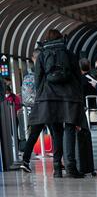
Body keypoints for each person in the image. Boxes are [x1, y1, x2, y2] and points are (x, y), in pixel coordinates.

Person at [28, 30, 84, 178]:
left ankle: (57, 169)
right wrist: (79, 95)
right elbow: (78, 77)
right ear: (61, 39)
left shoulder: (42, 56)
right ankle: (71, 167)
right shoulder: (69, 54)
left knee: (56, 132)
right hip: (69, 97)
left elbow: (38, 78)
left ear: (45, 40)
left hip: (49, 98)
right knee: (70, 129)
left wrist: (41, 96)